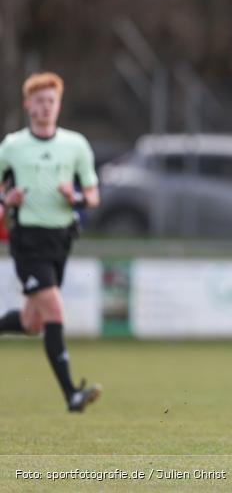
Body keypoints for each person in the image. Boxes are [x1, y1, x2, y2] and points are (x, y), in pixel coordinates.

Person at [0, 72, 102, 412]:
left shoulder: (76, 145)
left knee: (33, 322)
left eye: (51, 101)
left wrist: (76, 197)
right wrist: (6, 200)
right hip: (27, 240)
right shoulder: (12, 146)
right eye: (40, 101)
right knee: (55, 309)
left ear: (59, 105)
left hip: (61, 239)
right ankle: (72, 394)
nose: (46, 107)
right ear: (28, 105)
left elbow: (93, 196)